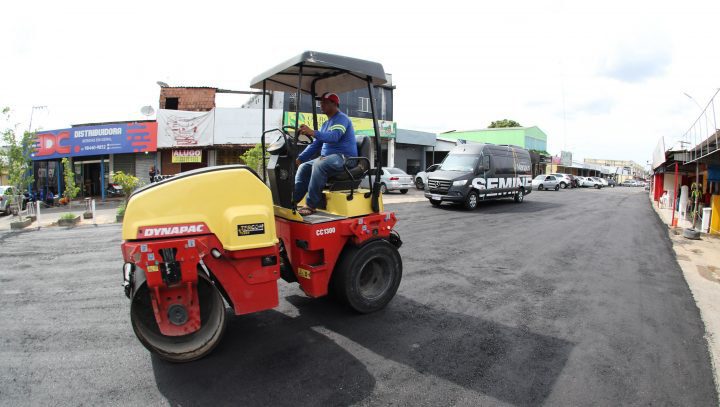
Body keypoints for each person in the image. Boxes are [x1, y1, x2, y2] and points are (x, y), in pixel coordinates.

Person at [294, 92, 357, 216]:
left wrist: (313, 132)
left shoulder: (341, 118)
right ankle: (292, 200)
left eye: (325, 102)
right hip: (328, 159)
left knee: (319, 163)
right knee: (304, 167)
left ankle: (311, 205)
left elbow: (334, 136)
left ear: (334, 104)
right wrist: (300, 158)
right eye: (321, 102)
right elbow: (316, 144)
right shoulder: (325, 124)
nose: (321, 105)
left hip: (345, 158)